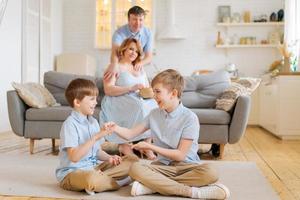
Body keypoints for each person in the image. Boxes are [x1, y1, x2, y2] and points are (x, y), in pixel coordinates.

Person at [106, 69, 230, 199]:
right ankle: (192, 192)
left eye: (158, 91)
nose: (154, 96)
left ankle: (152, 186)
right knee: (135, 169)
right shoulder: (153, 114)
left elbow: (180, 155)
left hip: (187, 168)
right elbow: (130, 134)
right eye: (153, 91)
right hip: (162, 167)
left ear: (173, 93)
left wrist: (150, 147)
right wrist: (115, 128)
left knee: (211, 172)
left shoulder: (190, 118)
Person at [55, 78, 139, 195]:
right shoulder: (70, 125)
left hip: (93, 169)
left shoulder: (93, 122)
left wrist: (109, 158)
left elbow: (96, 152)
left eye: (96, 98)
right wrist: (96, 136)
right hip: (72, 173)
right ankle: (118, 182)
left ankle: (101, 181)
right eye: (92, 99)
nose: (96, 102)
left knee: (133, 161)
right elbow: (74, 157)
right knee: (91, 178)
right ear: (77, 102)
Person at [100, 38, 157, 159]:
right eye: (131, 49)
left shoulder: (139, 67)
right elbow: (108, 89)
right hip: (117, 98)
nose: (133, 53)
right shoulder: (115, 67)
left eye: (136, 51)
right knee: (139, 106)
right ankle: (124, 145)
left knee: (154, 105)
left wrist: (147, 89)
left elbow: (146, 86)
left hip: (137, 98)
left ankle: (147, 145)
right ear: (124, 49)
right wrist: (131, 88)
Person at [104, 5, 152, 80]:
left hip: (136, 66)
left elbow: (149, 57)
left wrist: (140, 63)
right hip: (121, 65)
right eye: (134, 19)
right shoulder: (119, 33)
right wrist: (114, 66)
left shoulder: (148, 33)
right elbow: (115, 53)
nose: (138, 23)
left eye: (141, 20)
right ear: (128, 20)